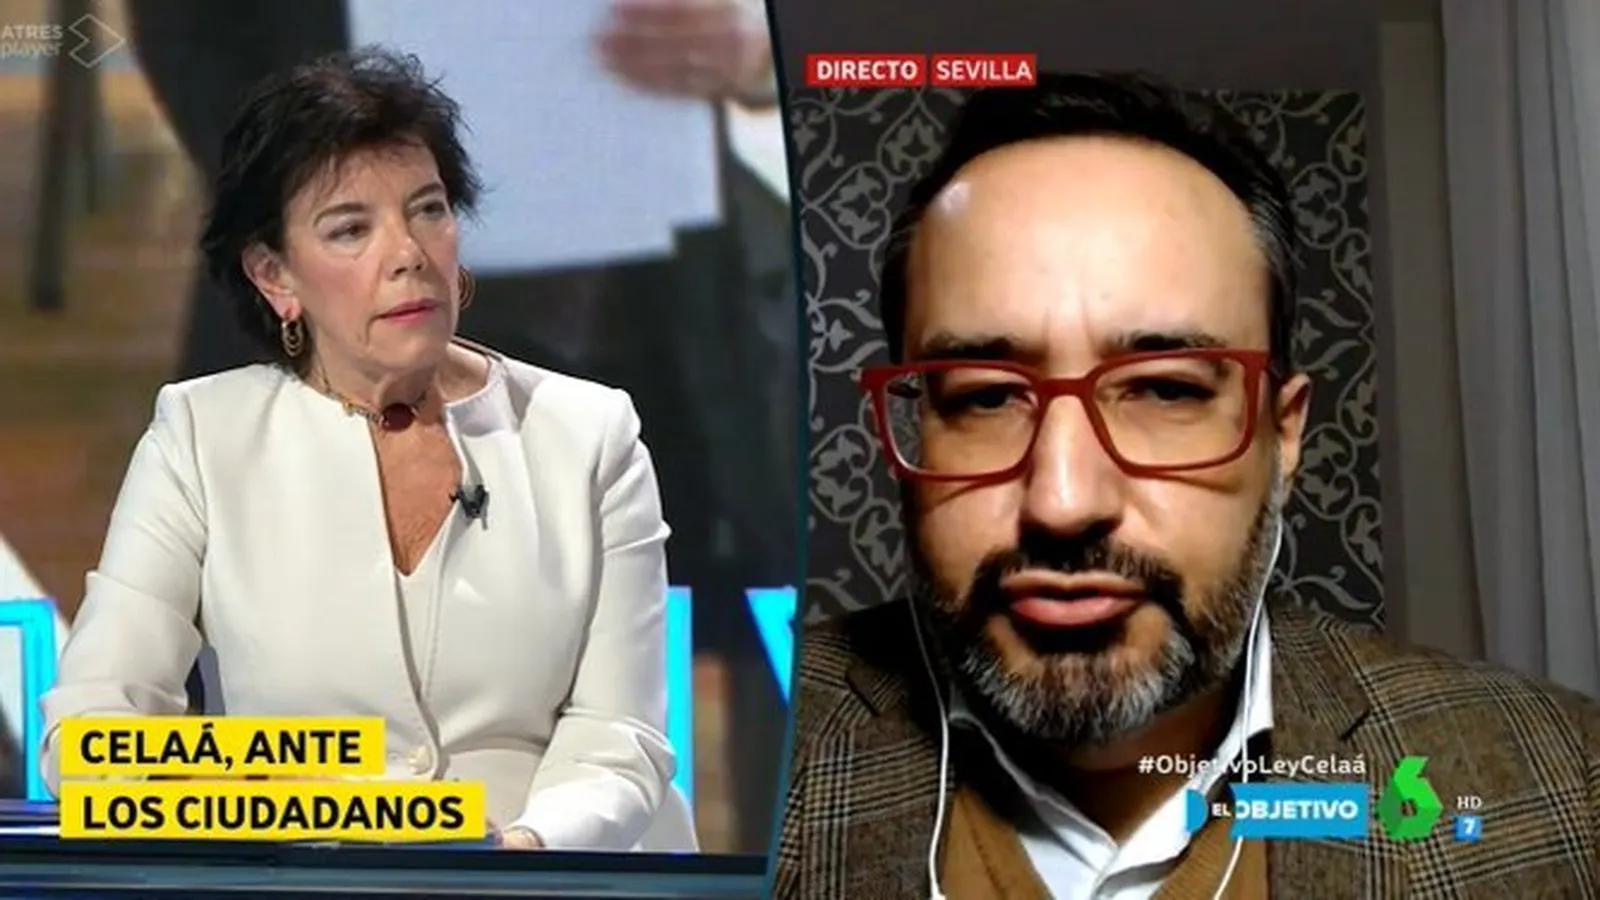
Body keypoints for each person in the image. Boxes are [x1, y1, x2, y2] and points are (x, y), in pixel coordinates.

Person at [775, 73, 1600, 898]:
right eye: (985, 397)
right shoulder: (730, 769)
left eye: (1165, 390)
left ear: (1283, 434)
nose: (1062, 501)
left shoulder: (1568, 790)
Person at [39, 48, 686, 853]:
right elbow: (92, 740)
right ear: (275, 276)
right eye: (351, 229)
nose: (409, 252)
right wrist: (338, 811)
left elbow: (619, 740)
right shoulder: (202, 437)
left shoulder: (590, 434)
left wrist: (515, 853)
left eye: (429, 210)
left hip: (552, 871)